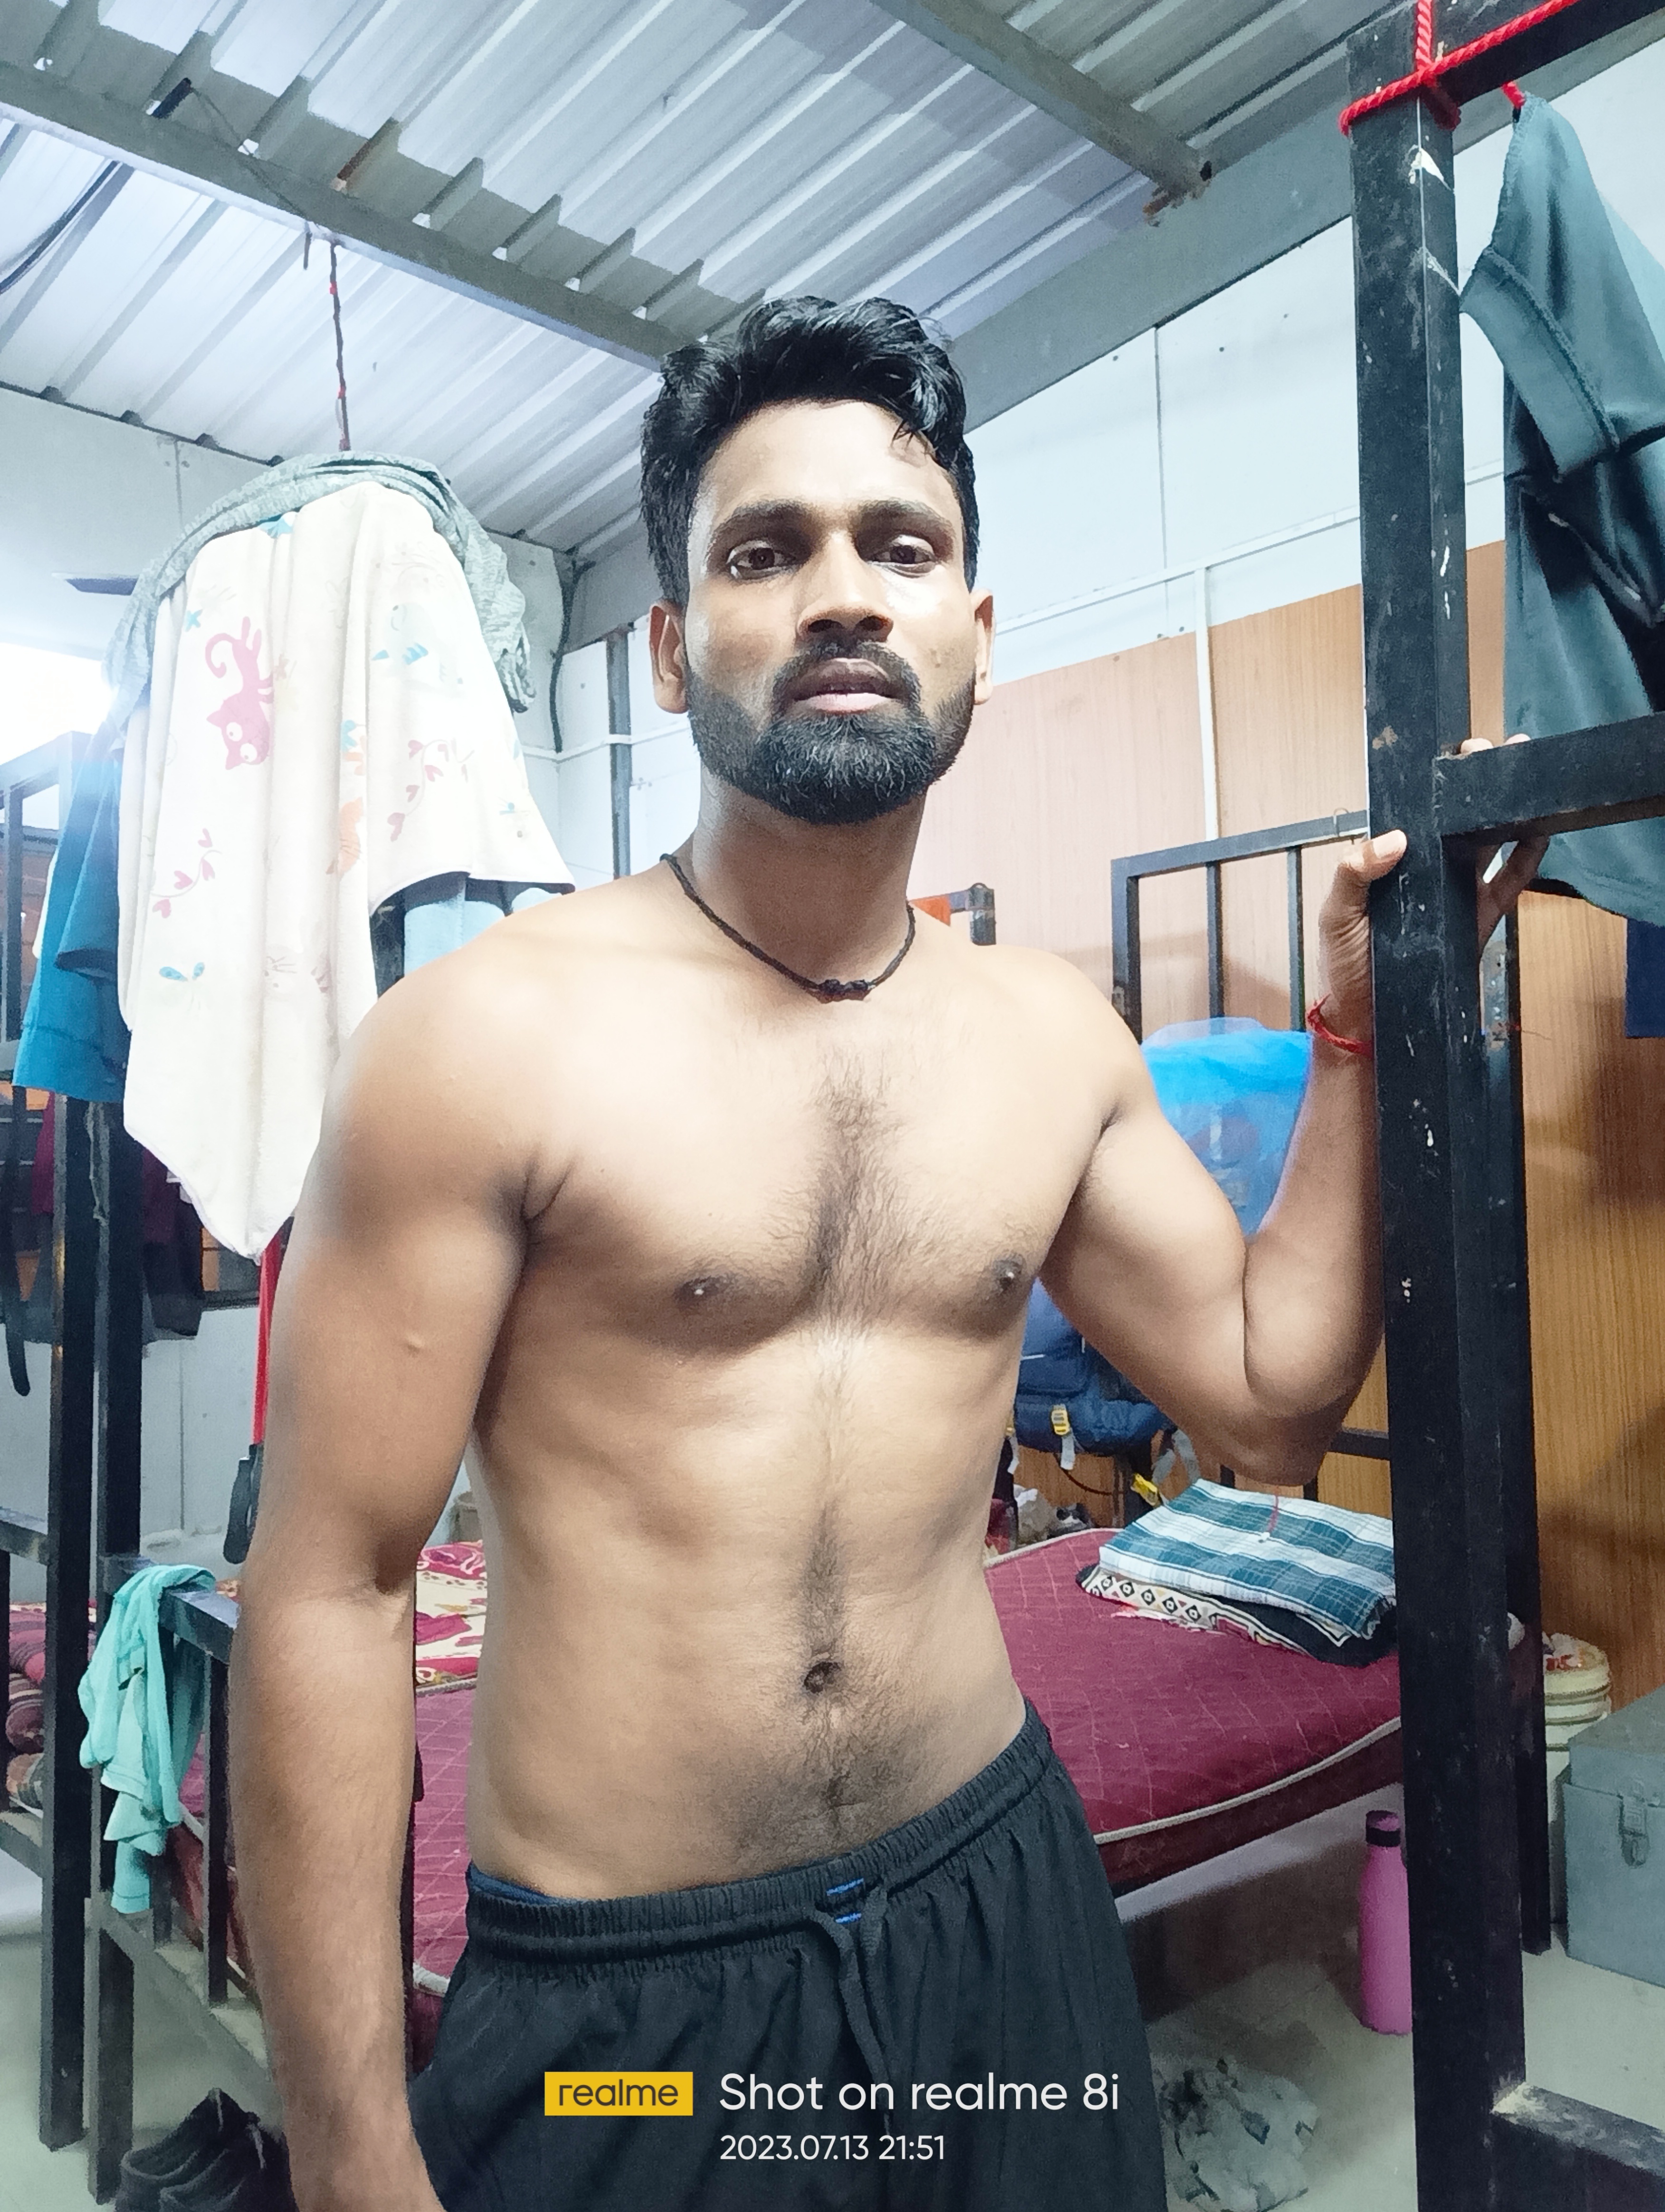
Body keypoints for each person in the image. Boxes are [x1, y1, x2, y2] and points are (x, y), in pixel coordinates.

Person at [230, 296, 1541, 2212]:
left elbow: (1269, 1398)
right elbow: (331, 1590)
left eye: (900, 548)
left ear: (975, 632)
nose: (845, 592)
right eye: (767, 551)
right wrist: (351, 2151)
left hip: (1001, 1919)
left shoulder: (1051, 1038)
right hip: (634, 2014)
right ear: (671, 646)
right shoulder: (481, 1044)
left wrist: (1353, 1036)